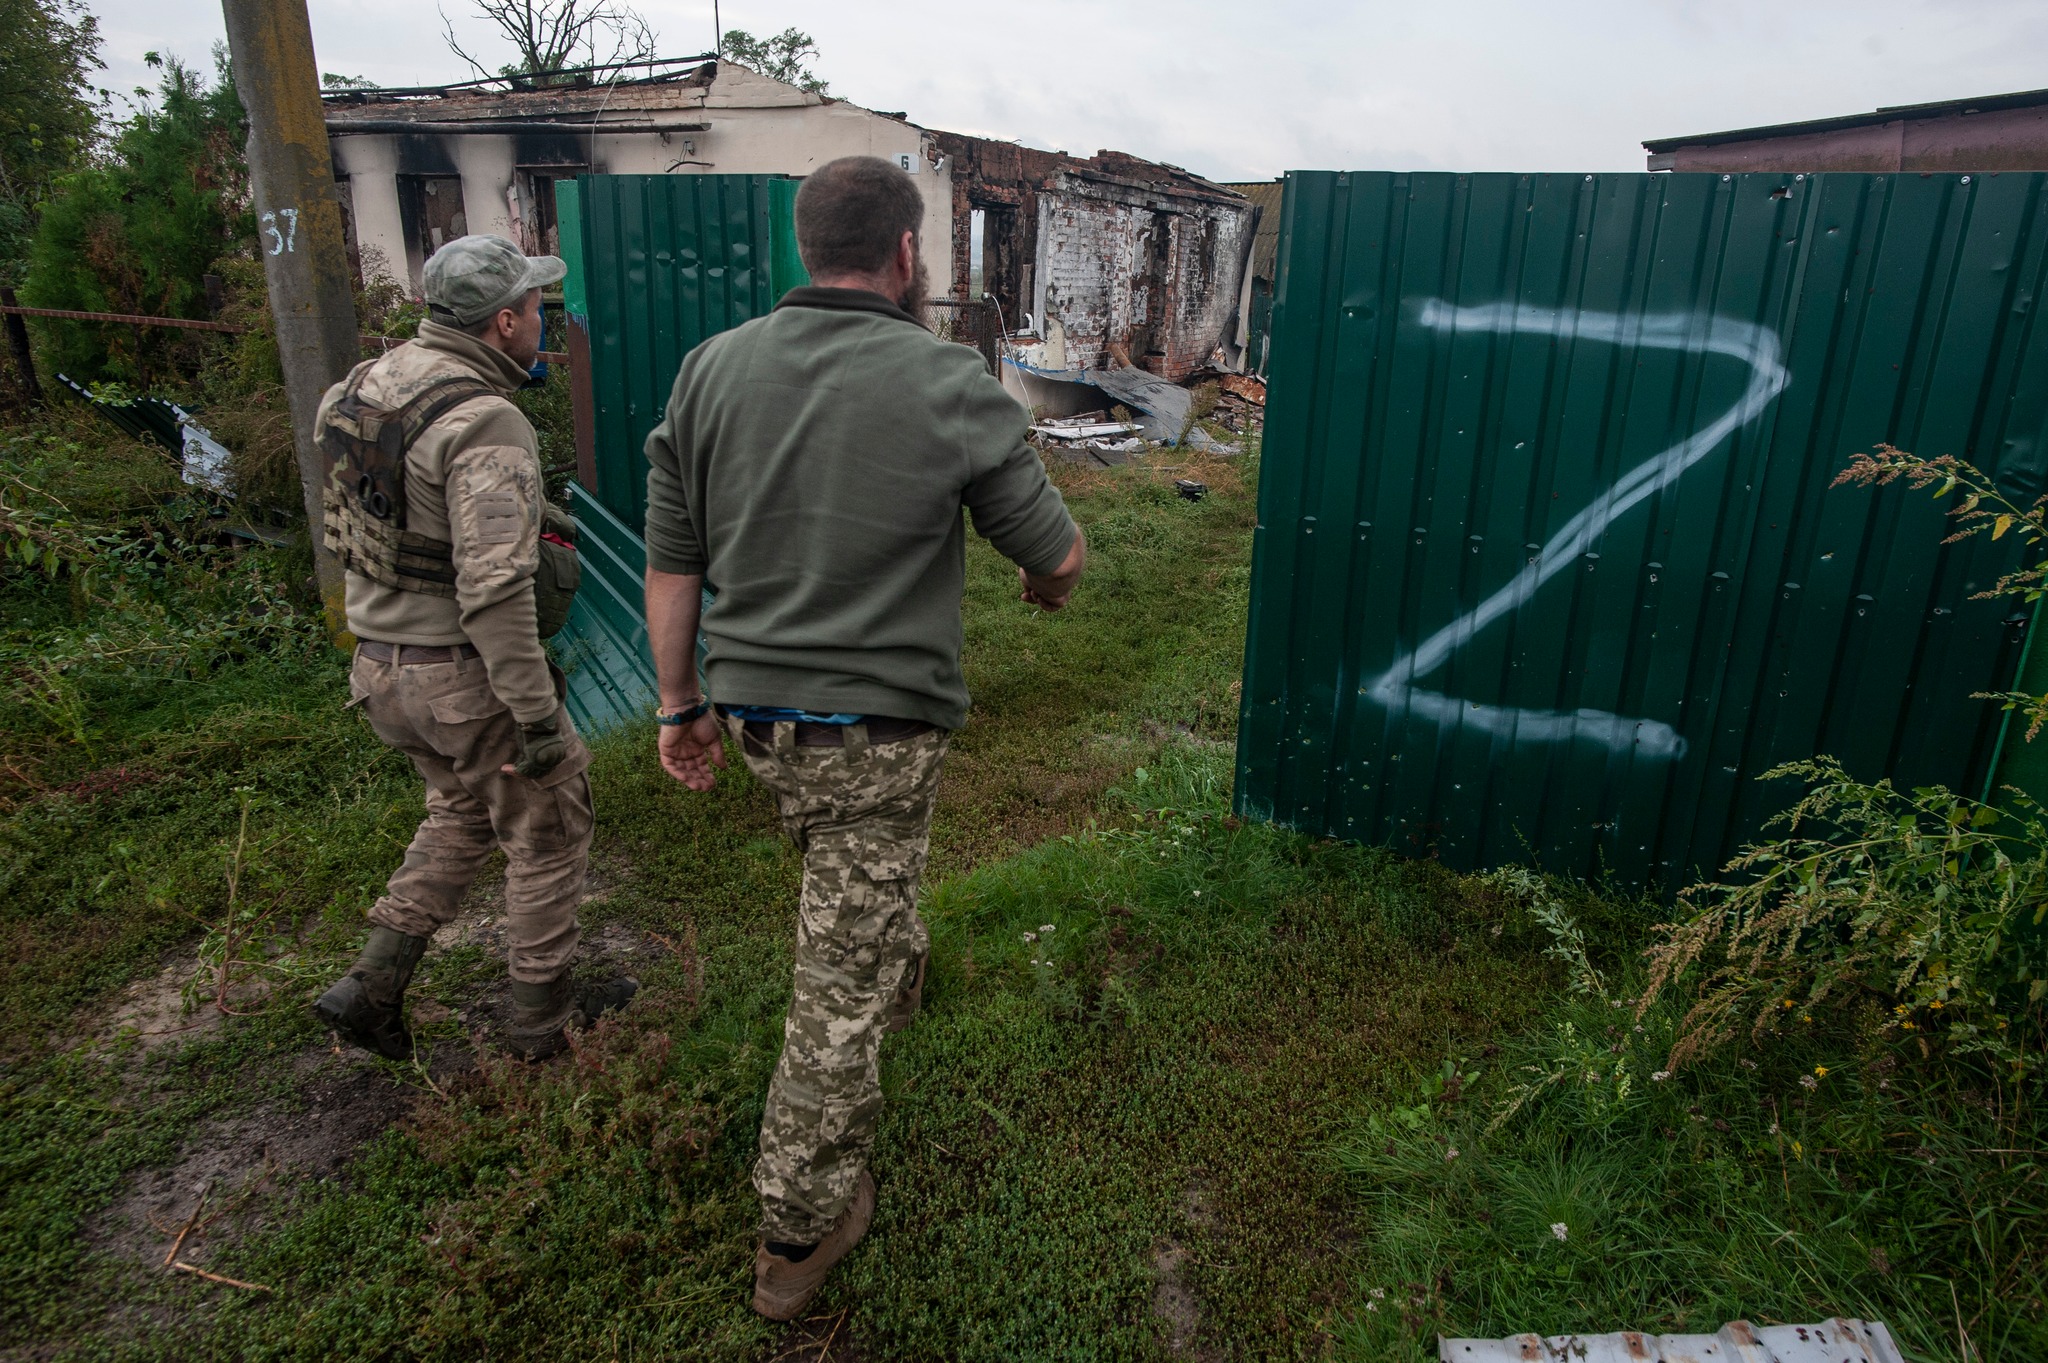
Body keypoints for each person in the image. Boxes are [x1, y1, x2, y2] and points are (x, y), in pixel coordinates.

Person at [642, 156, 1086, 1319]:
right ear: (903, 254)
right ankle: (797, 1228)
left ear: (805, 247)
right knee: (829, 985)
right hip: (875, 731)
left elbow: (673, 558)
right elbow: (1057, 556)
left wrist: (676, 705)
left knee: (848, 872)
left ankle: (897, 957)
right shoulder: (948, 380)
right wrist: (1045, 594)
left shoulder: (708, 371)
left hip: (752, 718)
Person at [312, 234, 635, 1063]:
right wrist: (535, 715)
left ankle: (372, 986)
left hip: (381, 664)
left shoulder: (362, 385)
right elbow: (492, 589)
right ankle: (542, 1023)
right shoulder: (485, 419)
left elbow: (385, 524)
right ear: (502, 323)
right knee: (549, 829)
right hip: (463, 675)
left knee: (459, 813)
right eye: (534, 309)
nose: (541, 320)